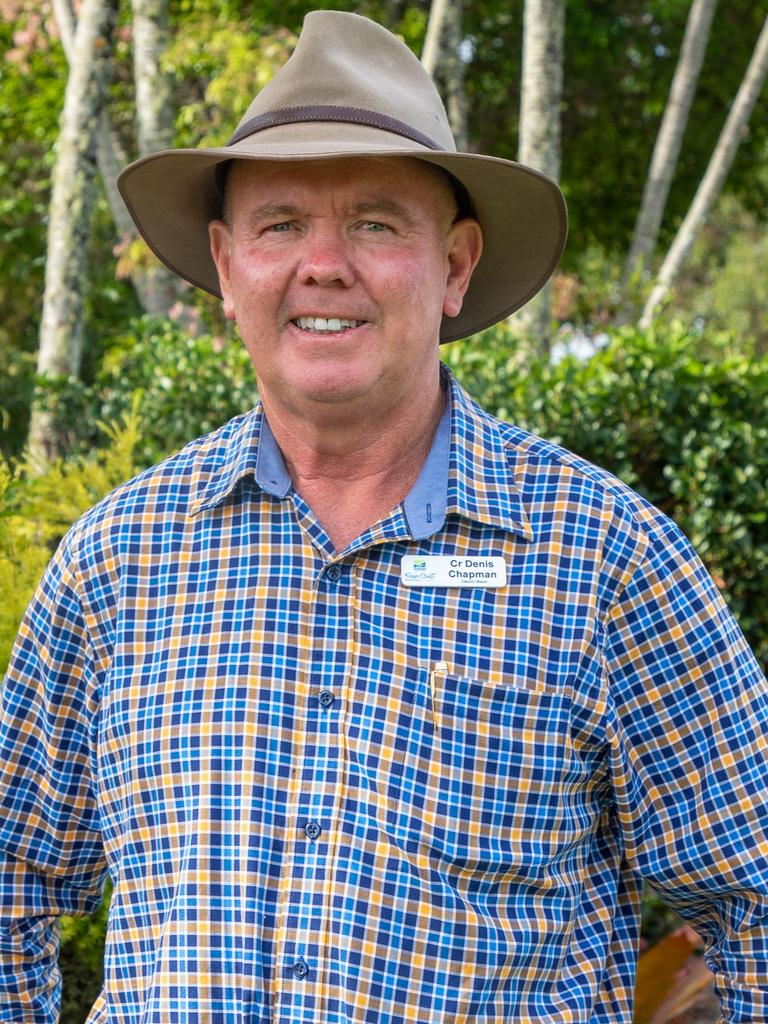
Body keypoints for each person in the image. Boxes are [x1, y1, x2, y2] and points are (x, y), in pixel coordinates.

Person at [1, 10, 767, 1023]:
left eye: (374, 222)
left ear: (453, 266)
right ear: (228, 269)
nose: (324, 264)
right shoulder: (118, 561)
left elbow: (753, 896)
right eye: (281, 224)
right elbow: (12, 879)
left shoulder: (606, 560)